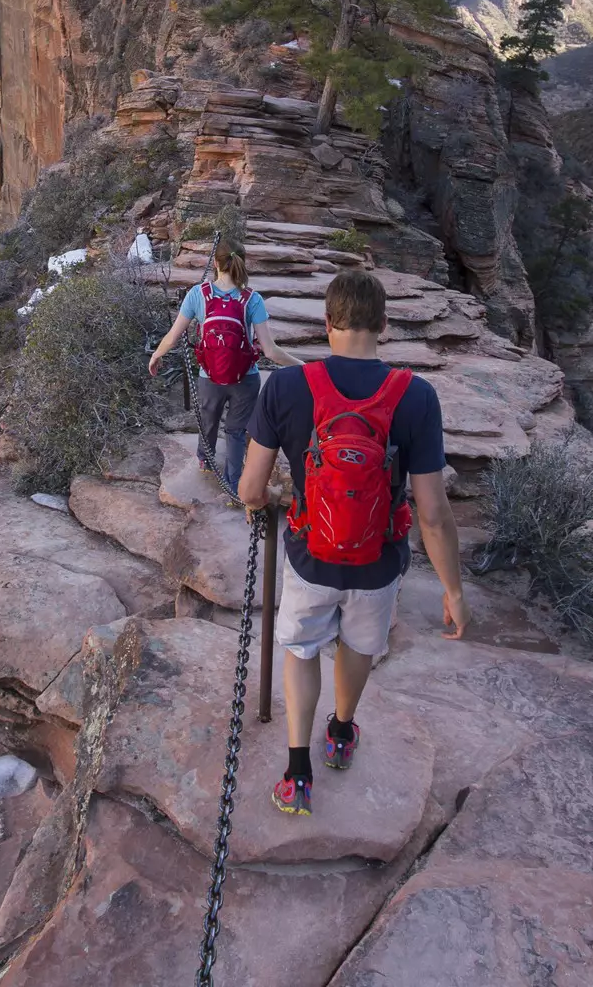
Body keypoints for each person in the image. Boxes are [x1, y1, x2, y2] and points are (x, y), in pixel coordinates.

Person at [236, 268, 468, 817]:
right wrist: (454, 591)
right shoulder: (417, 397)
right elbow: (433, 514)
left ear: (327, 323)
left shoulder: (288, 388)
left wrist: (259, 506)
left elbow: (249, 487)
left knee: (300, 649)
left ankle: (297, 773)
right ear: (383, 324)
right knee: (359, 647)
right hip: (378, 562)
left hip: (309, 554)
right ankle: (341, 734)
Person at [148, 244, 299, 493]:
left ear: (216, 263)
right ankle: (232, 484)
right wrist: (303, 366)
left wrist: (156, 355)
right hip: (245, 378)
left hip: (210, 377)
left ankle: (205, 460)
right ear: (242, 263)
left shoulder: (198, 294)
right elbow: (271, 351)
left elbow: (173, 336)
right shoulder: (252, 299)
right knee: (236, 431)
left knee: (208, 420)